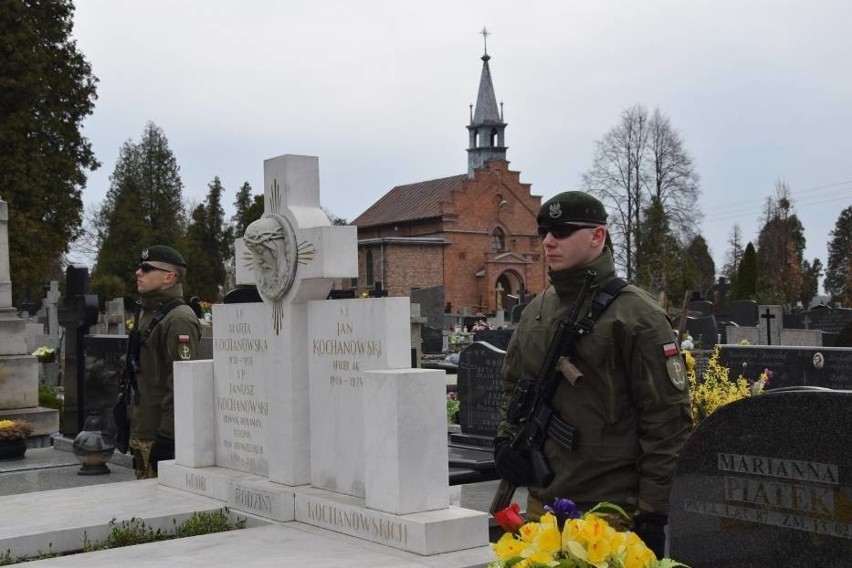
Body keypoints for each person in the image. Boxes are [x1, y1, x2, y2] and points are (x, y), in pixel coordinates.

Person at [494, 191, 691, 558]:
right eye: (545, 232)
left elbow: (667, 421)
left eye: (563, 231)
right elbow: (513, 390)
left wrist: (653, 512)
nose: (550, 241)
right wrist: (505, 442)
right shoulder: (535, 312)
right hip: (544, 512)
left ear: (597, 236)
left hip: (610, 516)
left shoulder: (636, 315)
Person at [129, 245, 201, 479]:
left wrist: (168, 437)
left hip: (160, 435)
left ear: (169, 277)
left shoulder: (178, 318)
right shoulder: (150, 312)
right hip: (144, 429)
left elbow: (181, 383)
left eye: (147, 268)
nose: (138, 273)